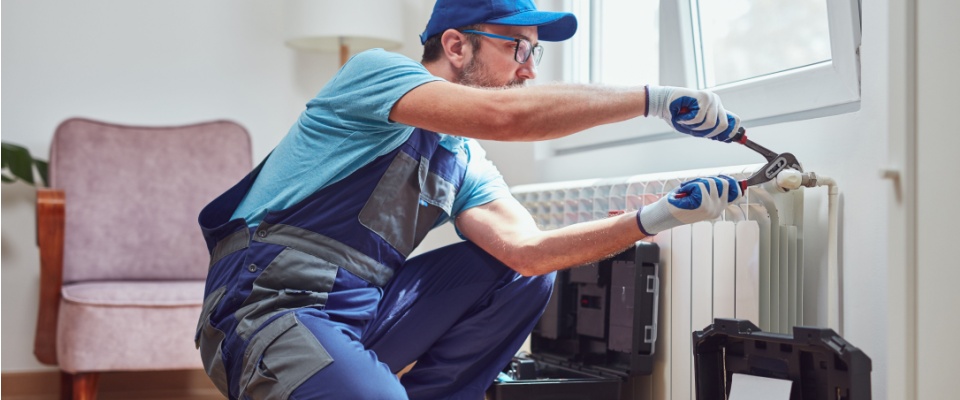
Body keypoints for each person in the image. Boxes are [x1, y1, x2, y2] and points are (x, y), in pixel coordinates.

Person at [195, 0, 743, 399]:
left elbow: (530, 252)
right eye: (518, 47)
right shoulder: (376, 73)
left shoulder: (462, 159)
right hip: (270, 305)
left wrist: (660, 215)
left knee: (522, 274)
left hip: (359, 313)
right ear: (457, 45)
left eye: (536, 52)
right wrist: (657, 100)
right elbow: (505, 116)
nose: (529, 68)